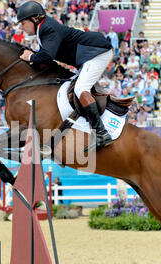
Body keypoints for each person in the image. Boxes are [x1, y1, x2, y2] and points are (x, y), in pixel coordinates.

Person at [17, 1, 113, 152]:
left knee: (80, 89)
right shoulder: (43, 29)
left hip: (96, 52)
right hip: (87, 56)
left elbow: (47, 57)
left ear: (34, 19)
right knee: (70, 89)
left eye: (23, 23)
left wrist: (30, 57)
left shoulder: (47, 28)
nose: (21, 27)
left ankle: (101, 133)